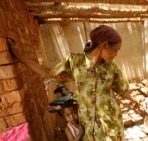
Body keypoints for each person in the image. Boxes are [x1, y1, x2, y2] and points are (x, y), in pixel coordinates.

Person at [9, 25, 139, 141]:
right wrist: (19, 56)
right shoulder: (75, 62)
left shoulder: (112, 68)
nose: (116, 54)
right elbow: (48, 72)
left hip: (111, 122)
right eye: (116, 49)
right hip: (88, 124)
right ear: (104, 45)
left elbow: (122, 90)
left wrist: (135, 101)